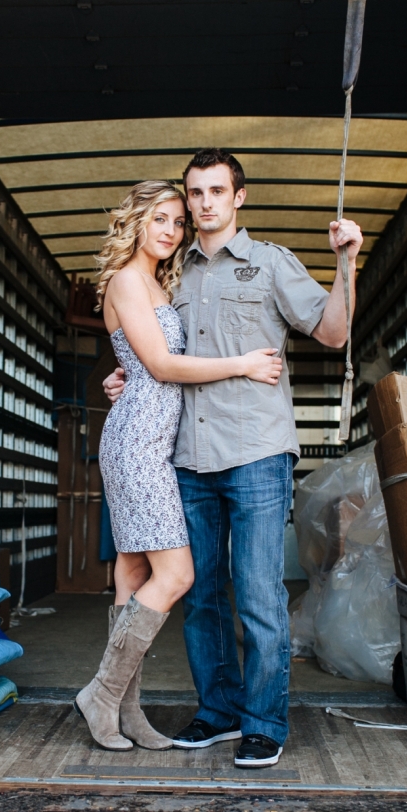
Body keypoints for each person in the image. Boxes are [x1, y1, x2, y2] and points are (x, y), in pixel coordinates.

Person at [103, 148, 363, 767]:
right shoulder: (170, 273)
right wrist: (120, 380)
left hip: (255, 452)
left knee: (258, 594)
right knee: (203, 596)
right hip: (186, 455)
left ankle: (263, 722)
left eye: (217, 191)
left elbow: (332, 332)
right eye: (195, 194)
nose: (204, 203)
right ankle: (216, 712)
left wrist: (347, 262)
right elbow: (149, 356)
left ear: (238, 197)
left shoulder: (271, 263)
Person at [75, 179, 283, 751]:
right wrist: (241, 363)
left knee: (134, 574)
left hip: (153, 443)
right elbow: (162, 366)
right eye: (160, 219)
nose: (170, 231)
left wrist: (124, 376)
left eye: (177, 222)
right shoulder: (126, 280)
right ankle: (101, 694)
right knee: (179, 575)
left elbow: (138, 366)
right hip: (138, 444)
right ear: (136, 220)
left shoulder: (157, 282)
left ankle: (122, 714)